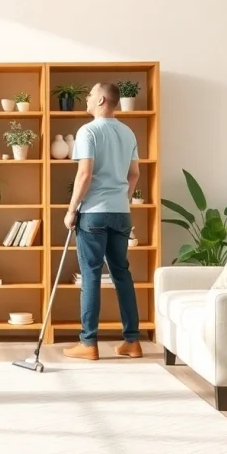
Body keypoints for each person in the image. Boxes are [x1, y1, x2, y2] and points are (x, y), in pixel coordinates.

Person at [62, 82, 143, 360]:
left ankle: (88, 343)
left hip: (93, 213)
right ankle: (132, 341)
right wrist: (122, 200)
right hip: (121, 213)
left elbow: (84, 174)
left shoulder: (88, 131)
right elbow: (134, 174)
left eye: (90, 95)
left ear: (101, 100)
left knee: (91, 275)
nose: (86, 98)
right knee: (122, 274)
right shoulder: (128, 132)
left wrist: (71, 209)